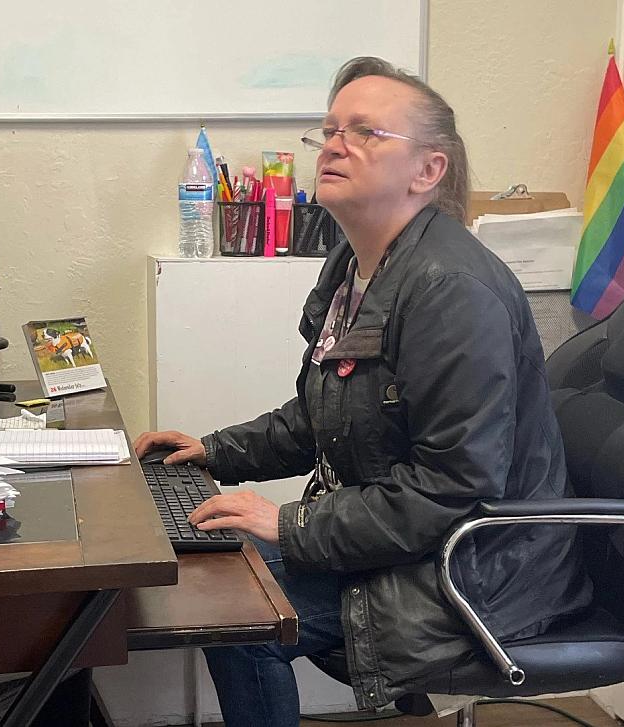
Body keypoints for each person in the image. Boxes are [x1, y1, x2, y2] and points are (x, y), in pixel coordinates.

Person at [133, 56, 592, 726]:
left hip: (479, 569)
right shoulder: (355, 267)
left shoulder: (450, 290)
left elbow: (454, 487)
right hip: (423, 547)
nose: (336, 143)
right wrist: (212, 451)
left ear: (428, 171)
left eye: (367, 132)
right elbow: (323, 414)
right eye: (329, 129)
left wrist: (291, 522)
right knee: (220, 574)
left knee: (238, 608)